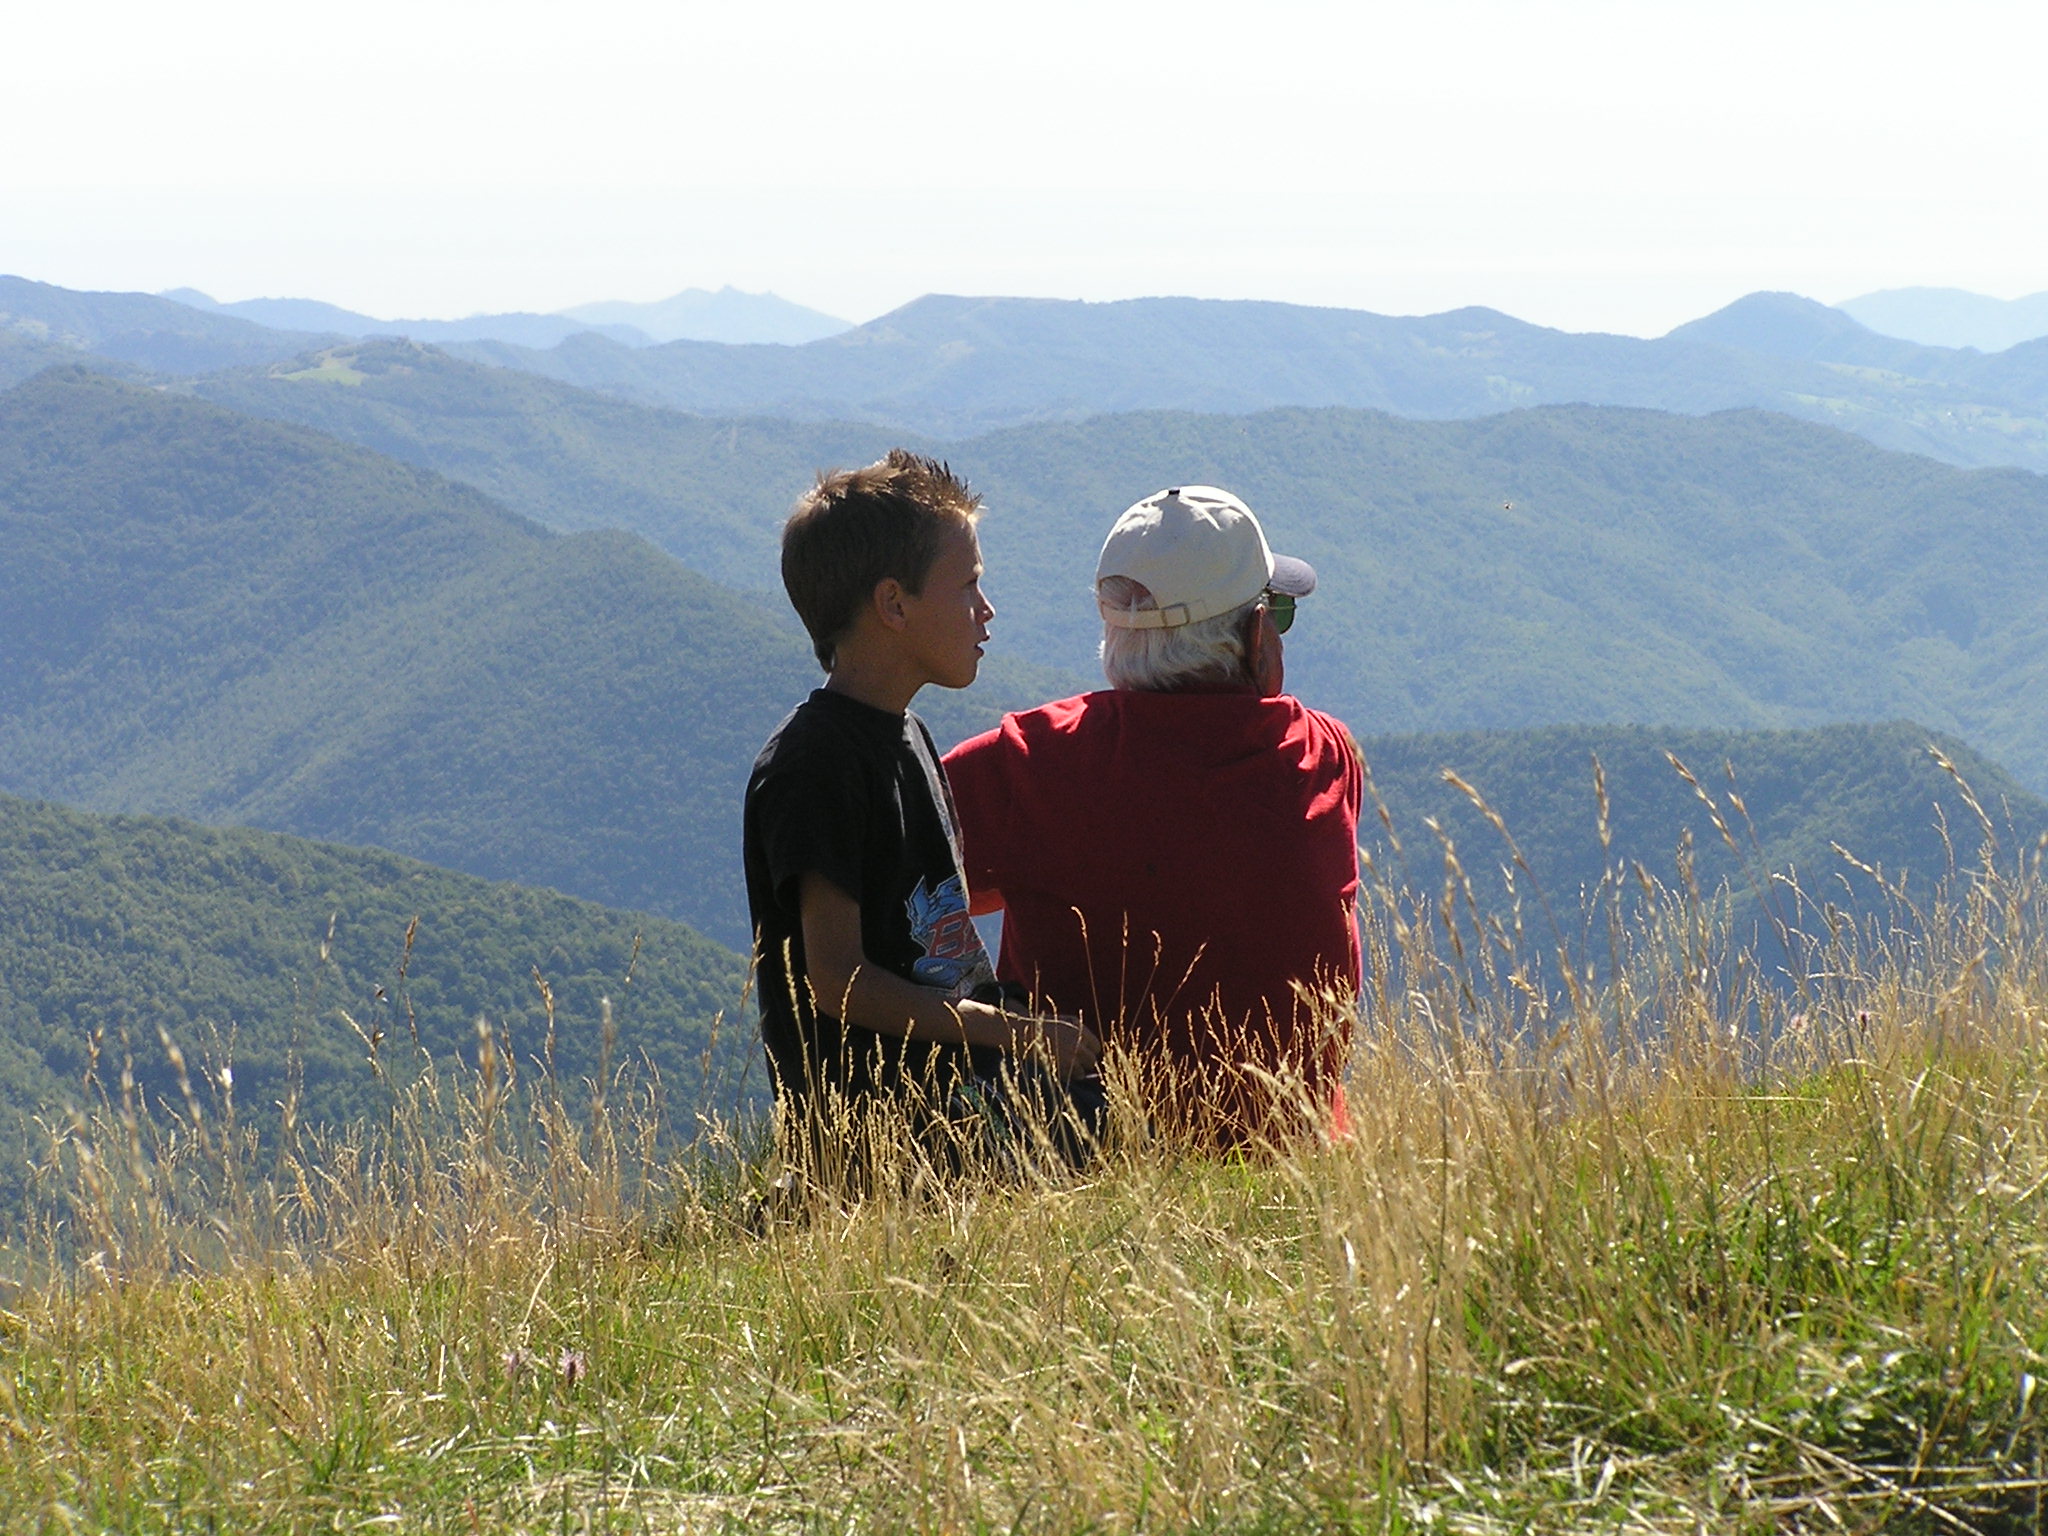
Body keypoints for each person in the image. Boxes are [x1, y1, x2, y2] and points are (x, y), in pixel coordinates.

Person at [943, 485, 1362, 1147]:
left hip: (1091, 1160)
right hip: (1298, 1160)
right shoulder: (1324, 756)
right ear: (1257, 638)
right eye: (1276, 611)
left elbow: (892, 892)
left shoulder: (1030, 766)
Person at [742, 449, 1102, 1183]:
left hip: (956, 1081)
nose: (987, 607)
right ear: (894, 605)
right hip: (886, 1123)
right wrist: (1018, 1035)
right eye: (968, 583)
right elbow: (838, 981)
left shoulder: (905, 734)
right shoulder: (813, 766)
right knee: (1103, 1133)